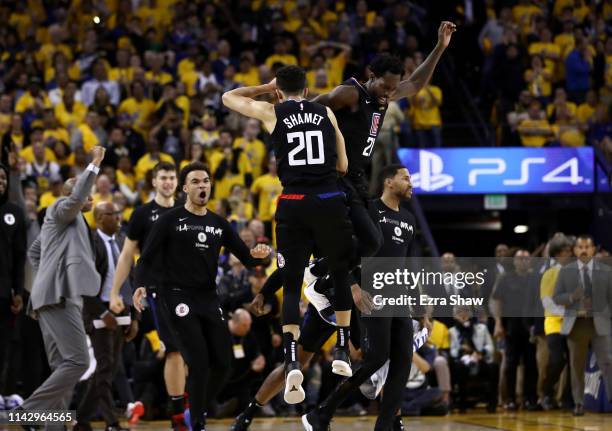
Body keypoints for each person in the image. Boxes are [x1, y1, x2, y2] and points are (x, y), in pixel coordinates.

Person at [222, 65, 355, 403]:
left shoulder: (272, 111)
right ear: (307, 91)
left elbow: (228, 97)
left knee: (292, 281)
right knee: (339, 271)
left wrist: (264, 88)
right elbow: (343, 166)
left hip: (293, 201)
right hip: (329, 199)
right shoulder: (325, 112)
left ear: (279, 91)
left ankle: (292, 358)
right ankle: (341, 349)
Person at [133, 162, 271, 431]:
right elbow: (145, 259)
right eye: (195, 182)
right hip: (176, 296)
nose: (202, 186)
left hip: (208, 297)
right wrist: (140, 285)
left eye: (206, 181)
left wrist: (260, 255)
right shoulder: (169, 220)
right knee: (198, 360)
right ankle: (197, 423)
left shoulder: (219, 223)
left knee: (223, 363)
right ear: (185, 188)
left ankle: (193, 410)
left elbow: (246, 257)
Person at [302, 164, 419, 431]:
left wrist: (419, 306)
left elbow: (408, 265)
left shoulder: (410, 220)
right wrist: (353, 286)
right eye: (405, 178)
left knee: (403, 362)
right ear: (388, 182)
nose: (411, 183)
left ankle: (386, 425)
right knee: (376, 358)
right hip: (371, 292)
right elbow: (343, 251)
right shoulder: (370, 210)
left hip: (398, 295)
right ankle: (322, 412)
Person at [20, 146, 105, 421]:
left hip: (50, 296)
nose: (90, 197)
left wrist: (46, 274)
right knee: (79, 362)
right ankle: (27, 412)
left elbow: (34, 253)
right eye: (85, 192)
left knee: (62, 366)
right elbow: (77, 195)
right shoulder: (60, 209)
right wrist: (94, 165)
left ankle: (52, 427)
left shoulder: (63, 225)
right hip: (59, 297)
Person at [108, 162, 189, 430]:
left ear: (177, 183)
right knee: (175, 350)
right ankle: (179, 413)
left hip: (188, 289)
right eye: (163, 177)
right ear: (154, 182)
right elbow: (126, 256)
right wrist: (115, 291)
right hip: (157, 290)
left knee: (192, 352)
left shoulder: (186, 210)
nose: (167, 182)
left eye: (171, 178)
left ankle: (182, 407)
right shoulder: (143, 214)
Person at [75, 202, 139, 431]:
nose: (119, 217)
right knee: (105, 366)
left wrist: (134, 318)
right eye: (113, 214)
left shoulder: (123, 241)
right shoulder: (90, 243)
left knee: (108, 371)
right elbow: (82, 284)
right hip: (97, 310)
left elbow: (131, 282)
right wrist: (102, 312)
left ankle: (81, 420)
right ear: (100, 218)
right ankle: (112, 422)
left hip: (121, 311)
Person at [553, 235, 612, 416]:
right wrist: (572, 297)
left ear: (593, 249)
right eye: (580, 247)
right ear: (575, 250)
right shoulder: (566, 271)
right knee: (576, 365)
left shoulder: (606, 271)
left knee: (608, 363)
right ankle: (578, 403)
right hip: (576, 324)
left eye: (588, 246)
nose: (584, 250)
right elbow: (556, 297)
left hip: (599, 324)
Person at [0, 160, 27, 391]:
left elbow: (20, 258)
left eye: (3, 178)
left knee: (3, 348)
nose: (1, 182)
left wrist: (18, 292)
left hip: (4, 294)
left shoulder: (14, 213)